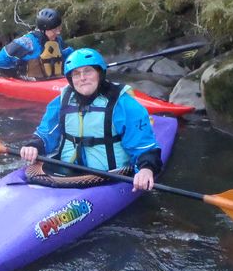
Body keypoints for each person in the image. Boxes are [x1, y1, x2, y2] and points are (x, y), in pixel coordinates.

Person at [19, 48, 162, 191]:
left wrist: (146, 168)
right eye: (76, 74)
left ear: (99, 73)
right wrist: (34, 146)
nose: (82, 78)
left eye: (88, 71)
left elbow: (143, 146)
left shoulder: (123, 104)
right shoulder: (62, 101)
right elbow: (46, 134)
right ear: (70, 79)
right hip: (67, 172)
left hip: (110, 176)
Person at [0, 7, 73, 79]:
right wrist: (17, 70)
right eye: (54, 30)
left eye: (59, 28)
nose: (58, 32)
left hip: (53, 80)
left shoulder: (58, 40)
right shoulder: (26, 43)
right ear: (43, 30)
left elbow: (71, 56)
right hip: (28, 82)